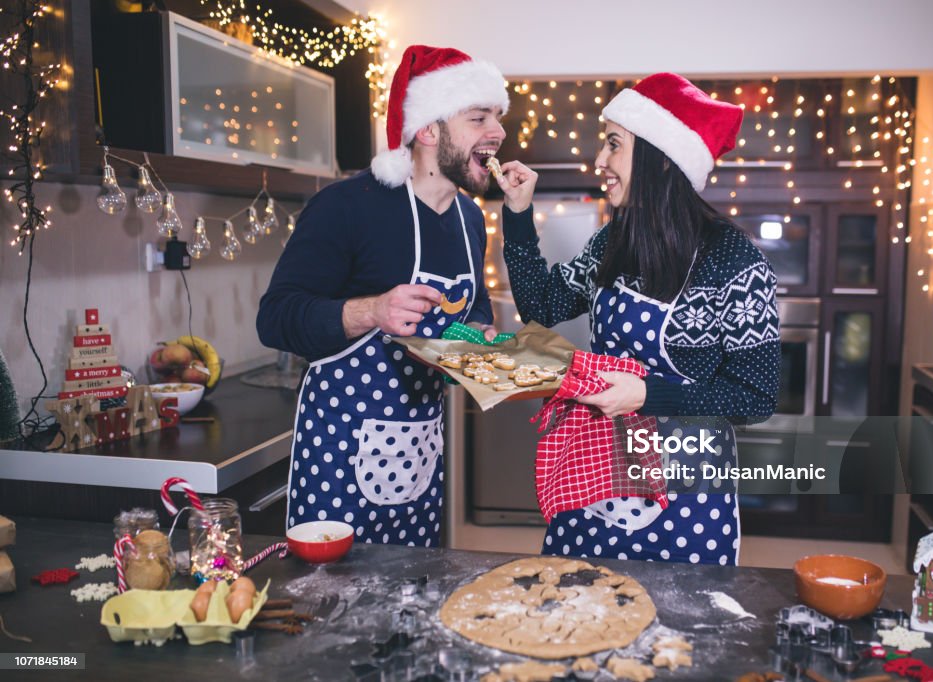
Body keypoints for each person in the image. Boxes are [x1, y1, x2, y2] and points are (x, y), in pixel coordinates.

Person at [499, 73, 781, 563]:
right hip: (597, 471)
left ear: (659, 158)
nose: (600, 161)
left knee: (678, 631)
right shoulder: (614, 242)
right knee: (581, 615)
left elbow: (755, 396)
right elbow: (543, 308)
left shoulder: (732, 262)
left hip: (688, 492)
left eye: (614, 144)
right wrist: (518, 216)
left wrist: (649, 393)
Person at [257, 45, 526, 546]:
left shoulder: (469, 219)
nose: (499, 132)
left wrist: (480, 338)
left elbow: (469, 314)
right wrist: (371, 311)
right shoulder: (346, 206)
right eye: (479, 117)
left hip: (420, 454)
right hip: (339, 457)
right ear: (428, 130)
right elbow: (275, 318)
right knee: (334, 610)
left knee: (412, 597)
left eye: (498, 117)